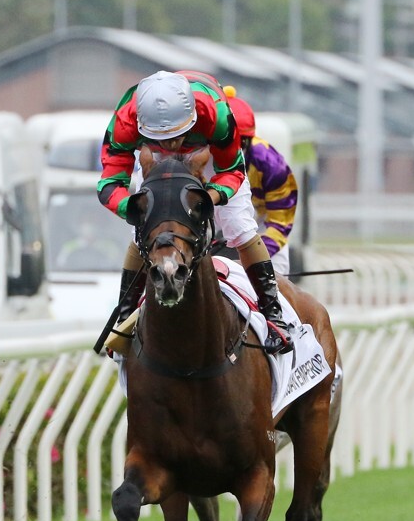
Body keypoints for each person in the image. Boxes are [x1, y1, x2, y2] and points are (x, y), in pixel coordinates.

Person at [97, 70, 293, 354]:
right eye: (161, 138)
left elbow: (231, 171)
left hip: (208, 151)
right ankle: (124, 316)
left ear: (190, 119)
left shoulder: (216, 113)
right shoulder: (125, 121)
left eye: (175, 136)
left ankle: (274, 316)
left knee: (240, 226)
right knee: (142, 232)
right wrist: (137, 209)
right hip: (155, 158)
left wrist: (208, 199)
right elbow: (109, 184)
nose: (170, 145)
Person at [223, 86, 298, 276]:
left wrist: (252, 257)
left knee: (277, 270)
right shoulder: (197, 158)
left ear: (247, 141)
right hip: (217, 225)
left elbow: (279, 224)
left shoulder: (272, 164)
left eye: (236, 143)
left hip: (262, 223)